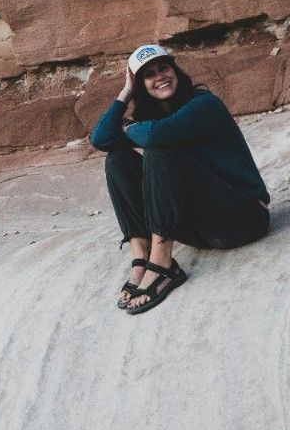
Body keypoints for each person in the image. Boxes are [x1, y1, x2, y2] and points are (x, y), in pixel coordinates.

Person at [89, 44, 271, 314]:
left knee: (160, 150)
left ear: (175, 70)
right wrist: (125, 92)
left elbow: (153, 137)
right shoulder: (152, 121)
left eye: (164, 67)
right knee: (118, 160)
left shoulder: (203, 104)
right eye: (148, 75)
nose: (159, 76)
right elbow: (101, 140)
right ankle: (141, 257)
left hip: (243, 218)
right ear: (142, 85)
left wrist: (132, 128)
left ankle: (162, 265)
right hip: (202, 228)